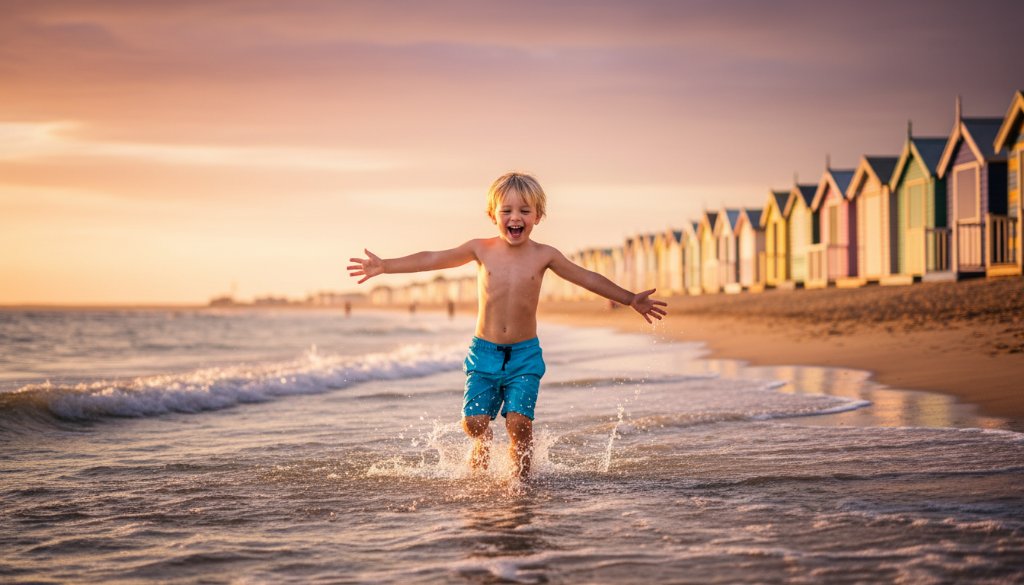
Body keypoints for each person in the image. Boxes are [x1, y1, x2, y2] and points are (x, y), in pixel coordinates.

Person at [347, 172, 667, 477]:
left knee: (518, 425)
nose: (516, 217)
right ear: (493, 214)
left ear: (537, 216)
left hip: (524, 356)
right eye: (507, 210)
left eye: (524, 211)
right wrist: (386, 266)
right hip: (483, 353)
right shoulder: (480, 249)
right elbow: (433, 258)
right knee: (473, 423)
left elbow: (586, 277)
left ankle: (520, 488)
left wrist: (628, 299)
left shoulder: (545, 255)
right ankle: (483, 444)